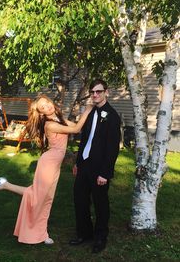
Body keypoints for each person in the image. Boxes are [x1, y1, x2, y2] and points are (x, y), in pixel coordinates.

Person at [0, 94, 93, 245]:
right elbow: (76, 129)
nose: (47, 107)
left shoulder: (58, 118)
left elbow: (75, 125)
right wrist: (88, 110)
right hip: (48, 163)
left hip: (55, 164)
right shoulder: (49, 124)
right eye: (43, 107)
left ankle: (42, 233)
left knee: (47, 200)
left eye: (47, 103)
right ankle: (5, 185)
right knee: (37, 197)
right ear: (41, 113)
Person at [69, 79, 121, 253]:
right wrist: (77, 162)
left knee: (100, 204)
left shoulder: (112, 116)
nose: (95, 95)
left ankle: (100, 237)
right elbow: (84, 139)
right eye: (93, 92)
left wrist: (105, 173)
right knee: (80, 200)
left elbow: (112, 149)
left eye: (99, 91)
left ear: (106, 92)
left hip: (100, 169)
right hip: (84, 164)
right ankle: (84, 233)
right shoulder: (90, 112)